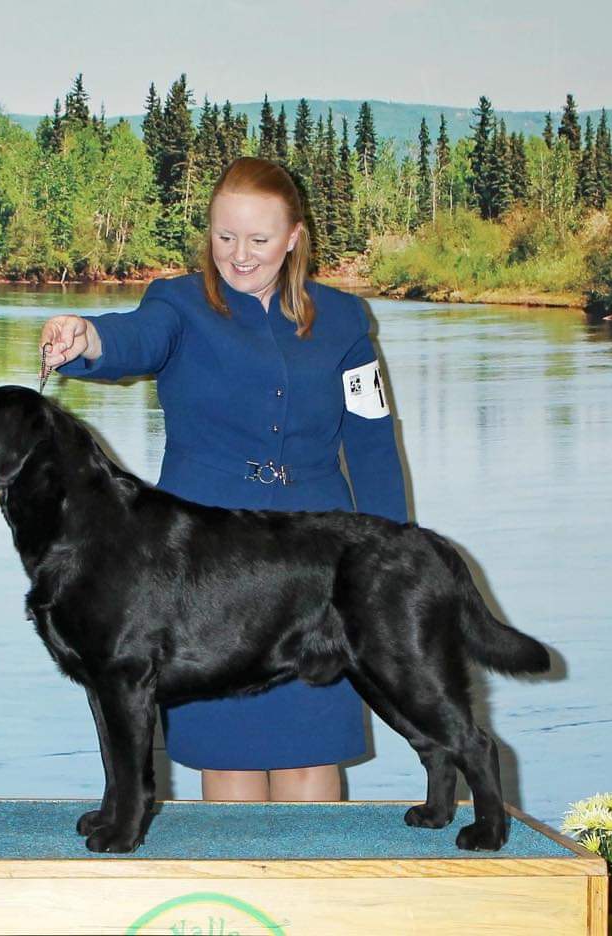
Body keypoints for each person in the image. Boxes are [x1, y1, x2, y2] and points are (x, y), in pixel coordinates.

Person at [40, 156, 407, 804]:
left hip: (315, 567)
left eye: (259, 240)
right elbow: (133, 339)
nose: (239, 255)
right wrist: (87, 336)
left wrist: (392, 553)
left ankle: (315, 898)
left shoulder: (346, 321)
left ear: (295, 236)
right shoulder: (177, 304)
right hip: (204, 573)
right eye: (224, 236)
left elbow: (373, 444)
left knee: (311, 753)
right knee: (228, 760)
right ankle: (240, 904)